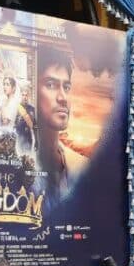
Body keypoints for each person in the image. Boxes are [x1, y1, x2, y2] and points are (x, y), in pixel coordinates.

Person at [35, 47, 84, 198]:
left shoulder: (83, 166)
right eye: (50, 85)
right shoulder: (16, 160)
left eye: (66, 87)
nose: (62, 97)